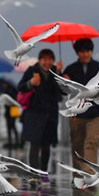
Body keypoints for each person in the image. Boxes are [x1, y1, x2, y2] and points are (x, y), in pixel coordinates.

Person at [62, 38, 99, 173]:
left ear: (91, 51)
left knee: (91, 143)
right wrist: (63, 79)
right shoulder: (70, 69)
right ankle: (77, 175)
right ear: (77, 53)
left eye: (88, 51)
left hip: (95, 115)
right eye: (82, 51)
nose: (85, 54)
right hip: (76, 115)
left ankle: (89, 175)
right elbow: (62, 92)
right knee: (77, 146)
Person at [18, 49, 63, 182]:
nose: (47, 62)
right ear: (40, 60)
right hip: (34, 113)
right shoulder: (32, 71)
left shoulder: (56, 71)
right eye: (44, 59)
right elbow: (21, 87)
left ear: (53, 60)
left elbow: (63, 92)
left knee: (46, 144)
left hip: (50, 113)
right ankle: (33, 173)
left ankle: (43, 172)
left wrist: (59, 75)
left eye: (50, 59)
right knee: (34, 144)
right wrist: (31, 83)